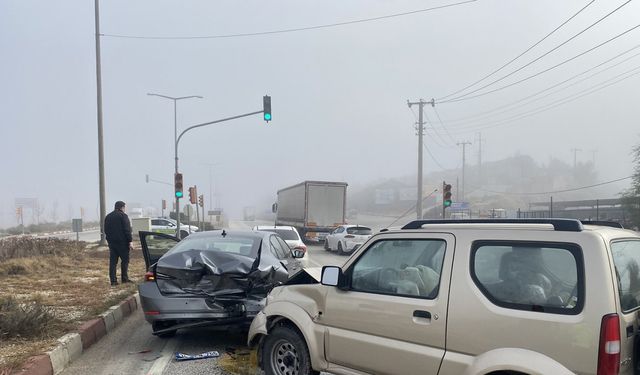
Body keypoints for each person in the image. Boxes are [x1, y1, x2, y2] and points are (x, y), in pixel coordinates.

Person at [104, 201, 133, 286]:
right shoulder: (123, 216)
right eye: (124, 207)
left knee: (113, 262)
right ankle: (124, 279)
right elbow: (127, 230)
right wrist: (130, 241)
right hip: (122, 243)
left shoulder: (108, 217)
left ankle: (113, 281)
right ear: (121, 207)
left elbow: (105, 230)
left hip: (112, 243)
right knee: (125, 260)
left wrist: (109, 240)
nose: (124, 209)